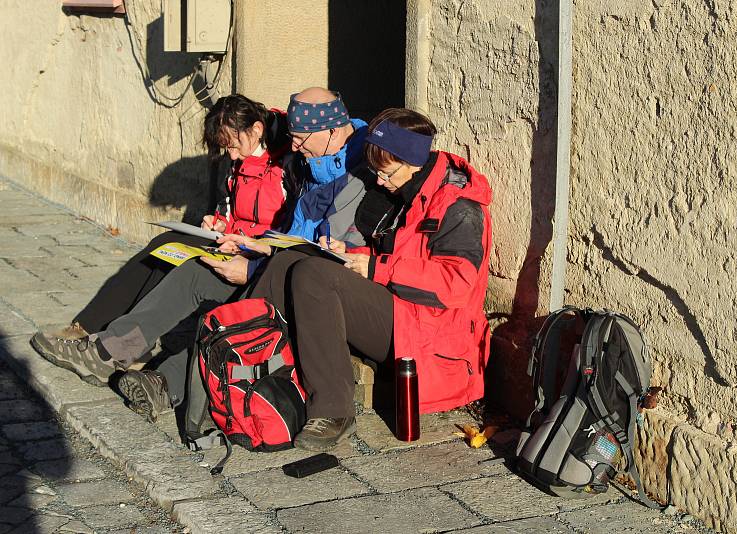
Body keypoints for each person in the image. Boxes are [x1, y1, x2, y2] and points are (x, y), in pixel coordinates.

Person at [31, 88, 372, 424]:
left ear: (330, 130)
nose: (294, 147)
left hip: (308, 287)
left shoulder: (356, 174)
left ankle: (164, 382)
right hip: (273, 263)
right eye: (293, 139)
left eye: (300, 139)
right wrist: (246, 245)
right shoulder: (313, 164)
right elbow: (291, 237)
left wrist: (253, 262)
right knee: (191, 266)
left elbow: (334, 254)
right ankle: (111, 352)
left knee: (236, 309)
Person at [231, 107, 493, 451]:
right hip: (401, 312)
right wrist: (356, 256)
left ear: (411, 162)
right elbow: (398, 256)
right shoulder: (407, 189)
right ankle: (241, 364)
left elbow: (455, 284)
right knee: (289, 260)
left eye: (386, 173)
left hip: (431, 336)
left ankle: (334, 410)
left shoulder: (459, 208)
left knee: (314, 276)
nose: (380, 182)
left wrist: (375, 268)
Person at [31, 93, 290, 344]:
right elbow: (230, 202)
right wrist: (219, 221)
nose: (231, 155)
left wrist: (247, 242)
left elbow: (288, 225)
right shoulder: (242, 157)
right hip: (230, 240)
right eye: (226, 148)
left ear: (256, 129)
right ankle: (89, 325)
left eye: (234, 146)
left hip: (254, 253)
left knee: (181, 262)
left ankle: (123, 341)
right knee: (163, 247)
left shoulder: (287, 165)